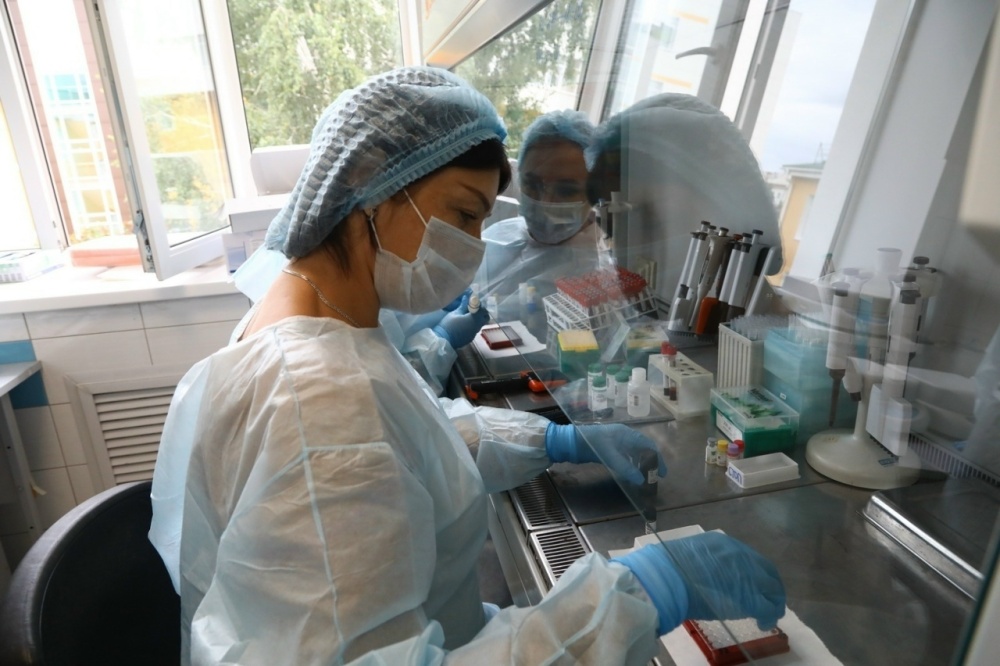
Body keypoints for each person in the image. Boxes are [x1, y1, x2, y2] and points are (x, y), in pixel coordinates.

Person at [148, 66, 785, 665]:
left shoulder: (311, 324)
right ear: (369, 178)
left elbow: (402, 447)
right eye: (462, 214)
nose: (473, 246)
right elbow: (345, 454)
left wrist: (553, 440)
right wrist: (633, 596)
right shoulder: (321, 405)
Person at [476, 109, 612, 332]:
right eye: (533, 184)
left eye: (566, 190)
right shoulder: (498, 235)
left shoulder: (599, 286)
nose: (544, 202)